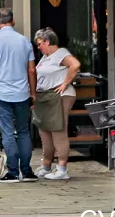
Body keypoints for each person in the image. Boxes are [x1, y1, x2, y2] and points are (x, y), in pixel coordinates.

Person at [0, 7, 38, 183]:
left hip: (1, 92)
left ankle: (12, 172)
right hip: (22, 92)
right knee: (24, 131)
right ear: (13, 21)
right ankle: (27, 171)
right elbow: (32, 70)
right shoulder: (24, 41)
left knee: (7, 132)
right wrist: (32, 93)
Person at [32, 29, 80, 181]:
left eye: (39, 44)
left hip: (59, 96)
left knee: (58, 129)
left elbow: (75, 65)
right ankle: (47, 165)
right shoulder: (46, 57)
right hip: (46, 97)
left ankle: (62, 168)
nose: (38, 47)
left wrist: (65, 83)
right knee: (45, 130)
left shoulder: (60, 53)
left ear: (47, 41)